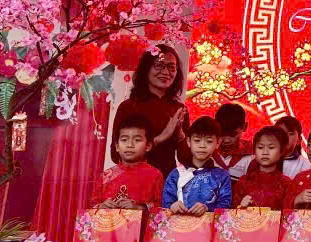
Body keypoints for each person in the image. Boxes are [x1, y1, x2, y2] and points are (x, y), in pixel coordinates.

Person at [113, 44, 188, 175]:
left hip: (167, 181)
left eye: (171, 67)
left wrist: (180, 135)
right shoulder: (129, 107)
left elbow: (188, 160)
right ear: (146, 69)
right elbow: (115, 155)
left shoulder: (179, 109)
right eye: (159, 65)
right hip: (135, 179)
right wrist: (161, 138)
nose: (166, 72)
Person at [161, 115, 233, 214]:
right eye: (197, 140)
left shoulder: (222, 176)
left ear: (218, 143)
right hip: (178, 223)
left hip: (209, 224)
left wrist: (207, 208)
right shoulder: (176, 174)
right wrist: (172, 206)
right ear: (188, 141)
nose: (202, 146)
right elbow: (166, 203)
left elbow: (225, 205)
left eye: (209, 141)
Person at [91, 114, 164, 209]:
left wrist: (138, 207)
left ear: (148, 146)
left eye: (137, 140)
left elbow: (160, 207)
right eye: (124, 140)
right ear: (117, 147)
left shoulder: (155, 175)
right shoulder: (106, 176)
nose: (130, 145)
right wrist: (101, 206)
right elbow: (92, 206)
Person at [232, 125, 290, 210]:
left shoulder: (286, 184)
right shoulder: (244, 181)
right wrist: (241, 207)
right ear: (254, 150)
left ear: (282, 151)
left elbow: (289, 214)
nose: (265, 152)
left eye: (271, 148)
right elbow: (232, 213)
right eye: (260, 147)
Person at [213, 102, 254, 179]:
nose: (227, 140)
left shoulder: (252, 156)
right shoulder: (207, 150)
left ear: (244, 127)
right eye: (222, 134)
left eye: (233, 134)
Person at [278, 116, 310, 180]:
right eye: (281, 133)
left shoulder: (307, 166)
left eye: (290, 134)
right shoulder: (262, 161)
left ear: (299, 140)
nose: (285, 137)